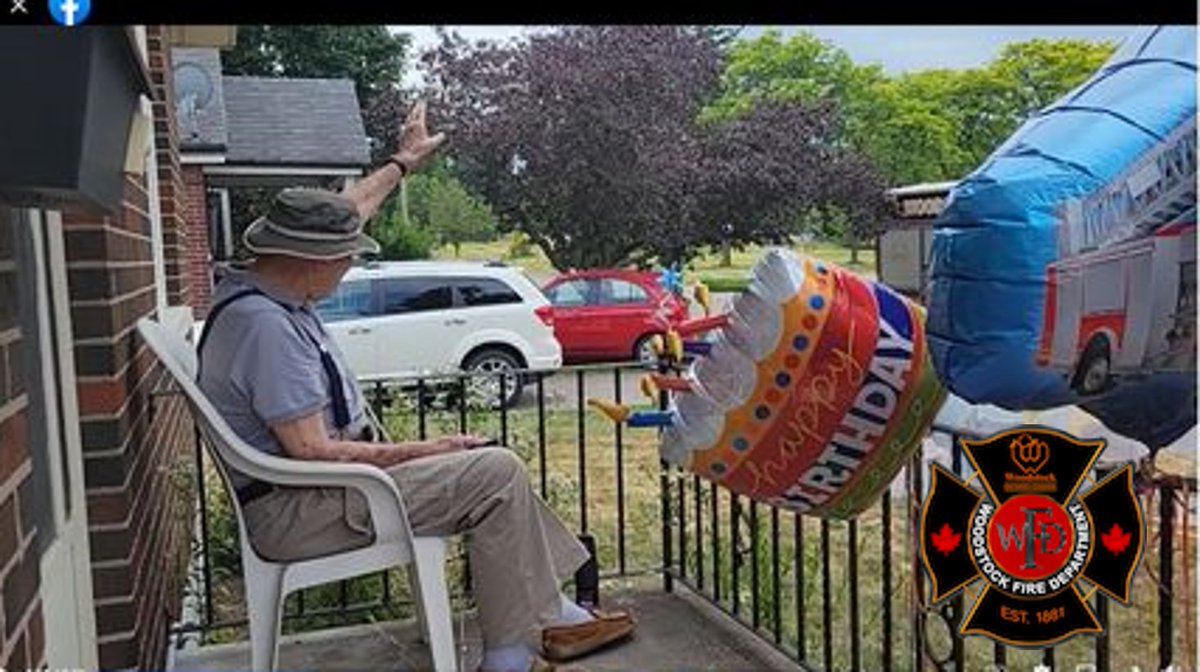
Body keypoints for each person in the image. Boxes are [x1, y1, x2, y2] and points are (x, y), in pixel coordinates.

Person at [197, 101, 635, 672]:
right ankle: (512, 654)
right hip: (304, 510)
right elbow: (312, 452)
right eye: (345, 258)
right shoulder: (266, 329)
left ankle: (551, 614)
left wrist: (403, 161)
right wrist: (427, 449)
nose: (349, 267)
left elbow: (350, 210)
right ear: (312, 260)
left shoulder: (263, 289)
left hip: (322, 494)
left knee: (494, 472)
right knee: (495, 472)